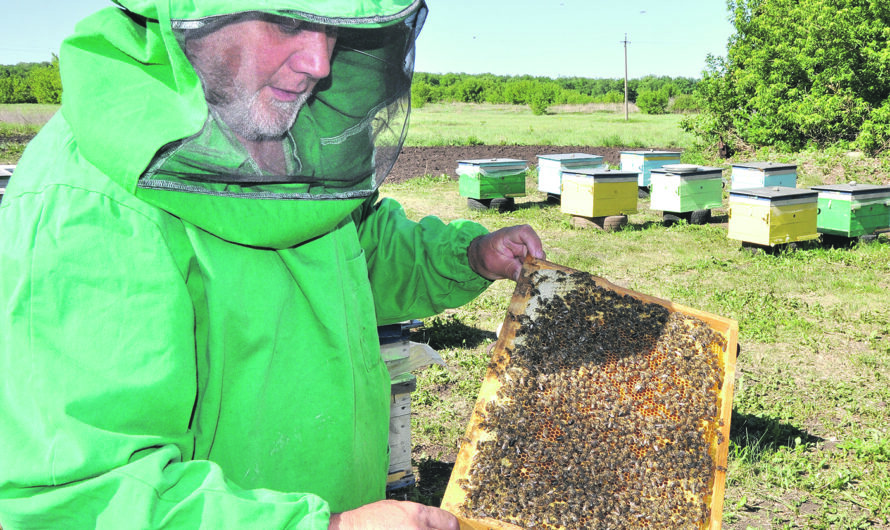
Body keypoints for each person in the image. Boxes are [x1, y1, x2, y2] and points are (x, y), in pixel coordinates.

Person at [0, 1, 544, 529]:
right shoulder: (85, 205)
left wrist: (467, 256)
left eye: (331, 29)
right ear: (195, 14)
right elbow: (81, 497)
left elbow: (353, 259)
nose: (320, 62)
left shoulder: (279, 134)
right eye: (287, 22)